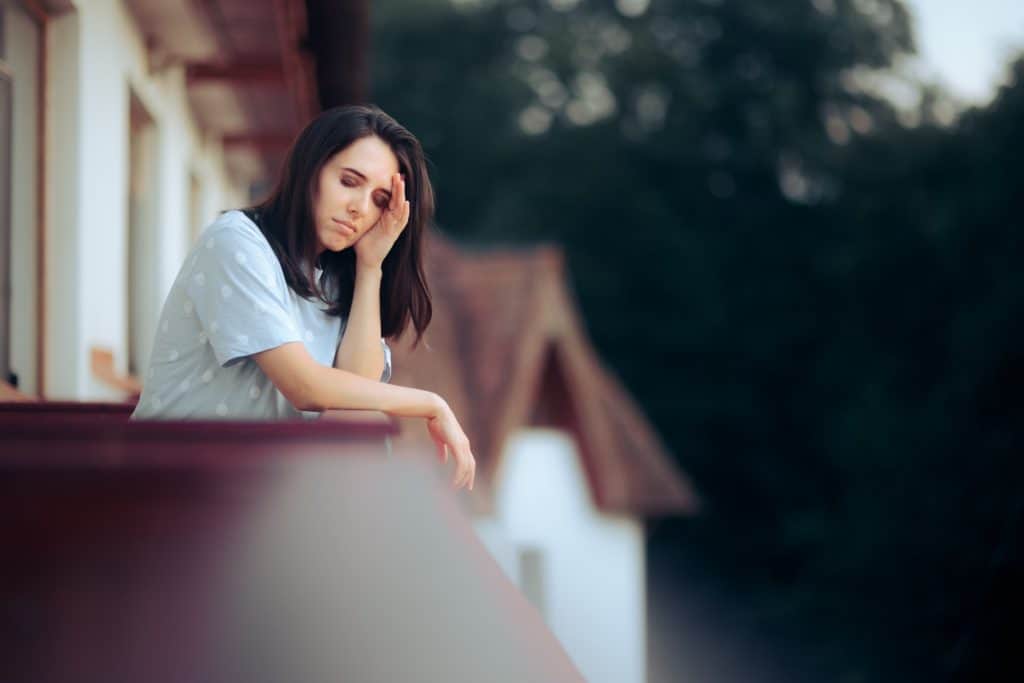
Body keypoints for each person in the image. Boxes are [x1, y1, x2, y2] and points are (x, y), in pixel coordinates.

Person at [132, 105, 475, 490]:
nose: (359, 208)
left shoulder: (332, 280)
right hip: (173, 478)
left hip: (256, 489)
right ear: (311, 169)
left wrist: (370, 268)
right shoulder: (235, 241)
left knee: (366, 423)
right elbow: (305, 387)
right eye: (348, 181)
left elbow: (354, 403)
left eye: (380, 200)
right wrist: (432, 403)